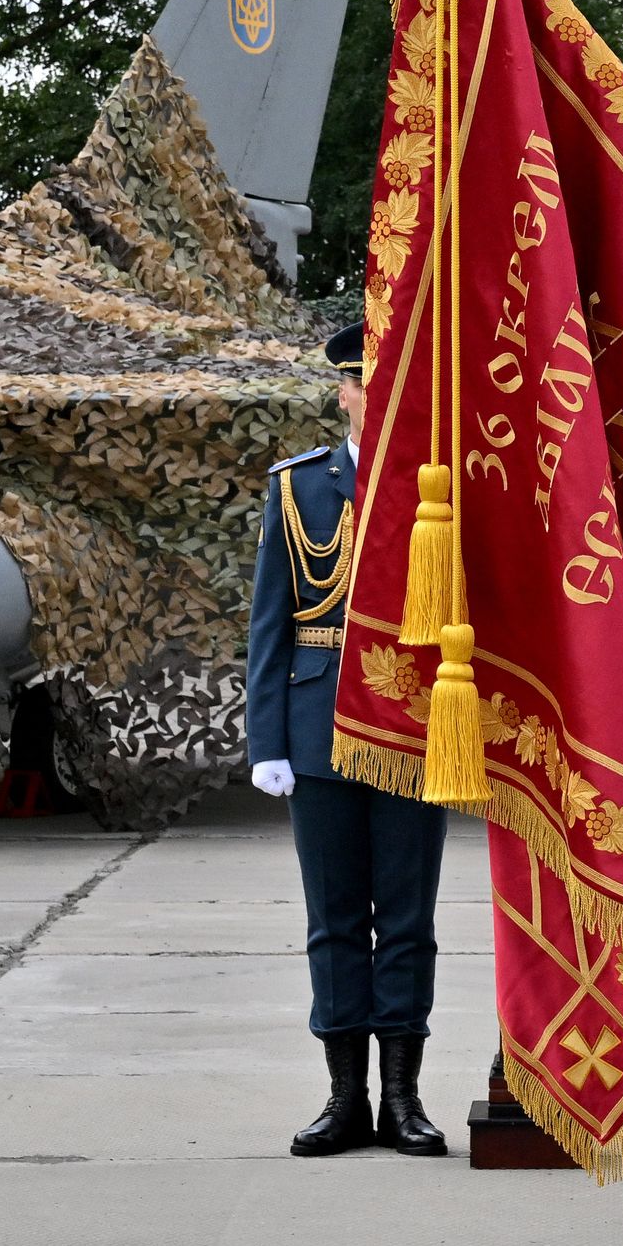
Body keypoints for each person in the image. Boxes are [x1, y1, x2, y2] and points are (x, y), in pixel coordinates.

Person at [244, 322, 451, 1161]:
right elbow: (270, 621)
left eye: (393, 381)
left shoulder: (438, 486)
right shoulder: (299, 488)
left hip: (410, 728)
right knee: (333, 919)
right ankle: (345, 1097)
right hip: (318, 725)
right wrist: (266, 737)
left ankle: (403, 1096)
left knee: (406, 918)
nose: (376, 395)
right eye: (364, 382)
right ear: (343, 392)